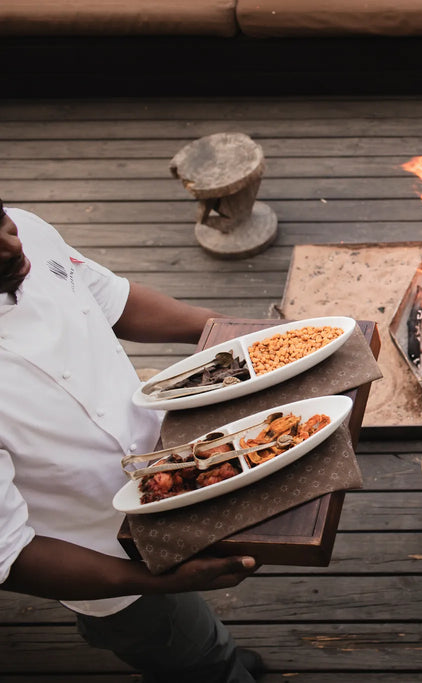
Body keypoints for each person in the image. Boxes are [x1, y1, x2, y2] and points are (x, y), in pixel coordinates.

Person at [0, 200, 265, 682]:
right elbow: (12, 555)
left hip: (172, 462)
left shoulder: (26, 232)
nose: (12, 244)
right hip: (105, 561)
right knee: (184, 651)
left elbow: (114, 300)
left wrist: (240, 336)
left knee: (201, 630)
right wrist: (153, 581)